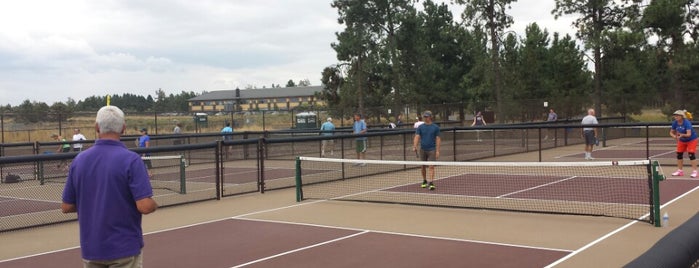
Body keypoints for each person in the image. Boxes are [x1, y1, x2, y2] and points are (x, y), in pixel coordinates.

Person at [61, 105, 157, 267]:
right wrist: (154, 204)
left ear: (97, 127)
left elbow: (66, 206)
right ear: (123, 129)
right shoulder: (131, 160)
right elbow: (145, 206)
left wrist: (94, 204)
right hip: (124, 248)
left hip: (92, 249)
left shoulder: (79, 160)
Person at [413, 111, 441, 191]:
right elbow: (417, 137)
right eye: (424, 117)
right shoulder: (420, 127)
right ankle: (424, 180)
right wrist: (415, 146)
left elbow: (438, 139)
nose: (425, 118)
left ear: (430, 117)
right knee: (422, 166)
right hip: (423, 149)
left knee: (431, 166)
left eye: (427, 116)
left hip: (432, 149)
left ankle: (431, 182)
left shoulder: (435, 127)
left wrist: (438, 151)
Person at [670, 110, 698, 178]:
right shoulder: (675, 123)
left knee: (691, 154)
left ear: (682, 116)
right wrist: (674, 136)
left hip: (692, 139)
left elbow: (688, 134)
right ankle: (680, 171)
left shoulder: (687, 123)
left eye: (677, 115)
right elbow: (671, 132)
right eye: (675, 115)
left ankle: (695, 171)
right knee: (679, 154)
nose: (676, 117)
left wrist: (681, 135)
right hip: (682, 141)